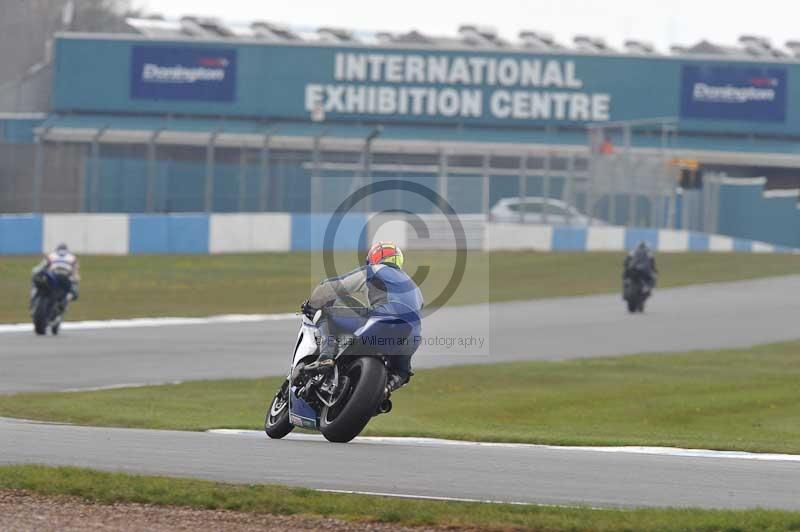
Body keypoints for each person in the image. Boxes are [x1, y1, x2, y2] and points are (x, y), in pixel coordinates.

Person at [302, 241, 423, 393]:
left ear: (373, 258)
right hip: (412, 337)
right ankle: (385, 391)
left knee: (325, 313)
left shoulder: (374, 270)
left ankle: (326, 355)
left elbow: (332, 287)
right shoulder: (415, 287)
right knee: (401, 372)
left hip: (382, 320)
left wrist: (312, 304)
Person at [31, 243, 80, 310]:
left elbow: (41, 267)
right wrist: (75, 279)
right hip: (65, 277)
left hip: (53, 276)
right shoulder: (72, 257)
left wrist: (36, 272)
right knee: (74, 293)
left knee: (38, 283)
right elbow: (75, 272)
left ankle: (34, 299)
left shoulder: (51, 255)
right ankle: (65, 301)